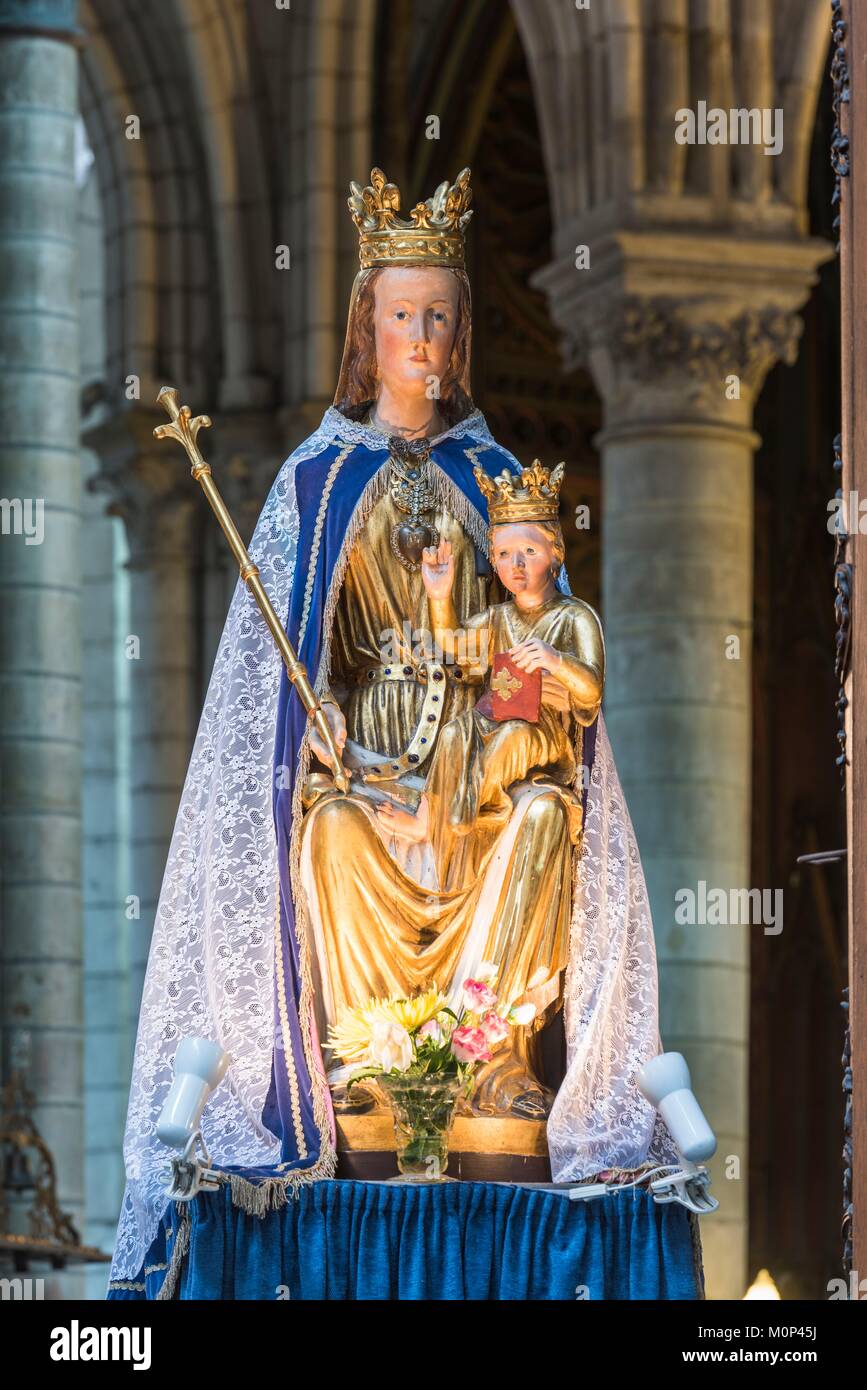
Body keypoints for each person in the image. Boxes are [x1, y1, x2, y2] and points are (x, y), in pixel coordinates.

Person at [108, 167, 674, 1295]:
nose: (421, 336)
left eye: (441, 319)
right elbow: (267, 693)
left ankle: (498, 1062)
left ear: (462, 336)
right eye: (401, 315)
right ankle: (362, 1071)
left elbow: (543, 651)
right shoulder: (313, 487)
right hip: (364, 765)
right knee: (324, 834)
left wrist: (507, 706)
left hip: (476, 764)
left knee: (546, 816)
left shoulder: (499, 479)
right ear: (366, 326)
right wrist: (308, 729)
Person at [374, 461, 605, 896]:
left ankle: (460, 817)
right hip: (494, 716)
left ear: (556, 553)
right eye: (502, 554)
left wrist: (555, 660)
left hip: (542, 733)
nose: (514, 565)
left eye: (529, 552)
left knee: (511, 739)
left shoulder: (575, 617)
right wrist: (440, 595)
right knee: (455, 735)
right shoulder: (500, 617)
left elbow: (592, 687)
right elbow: (452, 644)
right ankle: (431, 816)